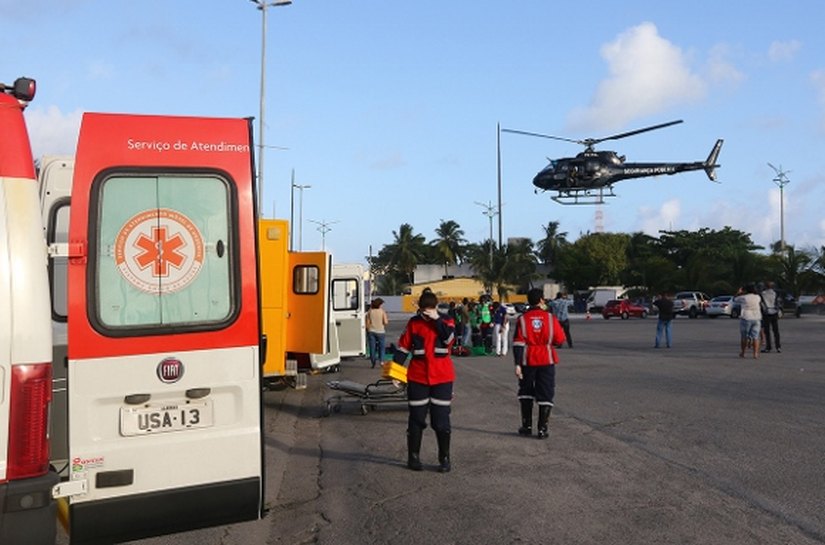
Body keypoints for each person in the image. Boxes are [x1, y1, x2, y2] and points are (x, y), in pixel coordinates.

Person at [392, 290, 456, 472]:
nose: (425, 315)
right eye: (423, 311)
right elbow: (403, 347)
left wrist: (436, 319)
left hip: (442, 377)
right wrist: (396, 373)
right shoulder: (414, 322)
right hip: (418, 376)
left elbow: (449, 340)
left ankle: (445, 458)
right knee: (416, 418)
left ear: (435, 307)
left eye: (429, 311)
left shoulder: (446, 320)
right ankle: (413, 458)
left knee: (441, 421)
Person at [512, 288, 566, 439]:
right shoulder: (550, 318)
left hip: (527, 360)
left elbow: (517, 343)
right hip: (546, 359)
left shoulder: (522, 319)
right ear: (542, 300)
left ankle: (526, 426)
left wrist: (517, 364)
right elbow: (560, 339)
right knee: (546, 393)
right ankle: (542, 429)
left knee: (526, 391)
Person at [735, 284, 762, 359]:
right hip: (757, 317)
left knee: (744, 337)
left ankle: (743, 352)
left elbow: (735, 299)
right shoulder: (758, 297)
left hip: (746, 317)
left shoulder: (743, 297)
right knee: (756, 337)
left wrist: (739, 292)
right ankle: (755, 353)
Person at [365, 298, 389, 368]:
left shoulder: (370, 311)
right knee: (381, 347)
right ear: (379, 304)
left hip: (371, 331)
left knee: (372, 347)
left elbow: (367, 323)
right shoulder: (382, 311)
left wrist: (368, 329)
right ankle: (381, 361)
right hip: (380, 331)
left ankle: (373, 362)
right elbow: (385, 322)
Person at [760, 281, 782, 353]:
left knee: (767, 331)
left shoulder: (763, 294)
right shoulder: (776, 293)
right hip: (774, 312)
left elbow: (761, 303)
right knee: (776, 331)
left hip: (766, 313)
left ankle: (768, 347)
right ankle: (778, 346)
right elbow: (778, 303)